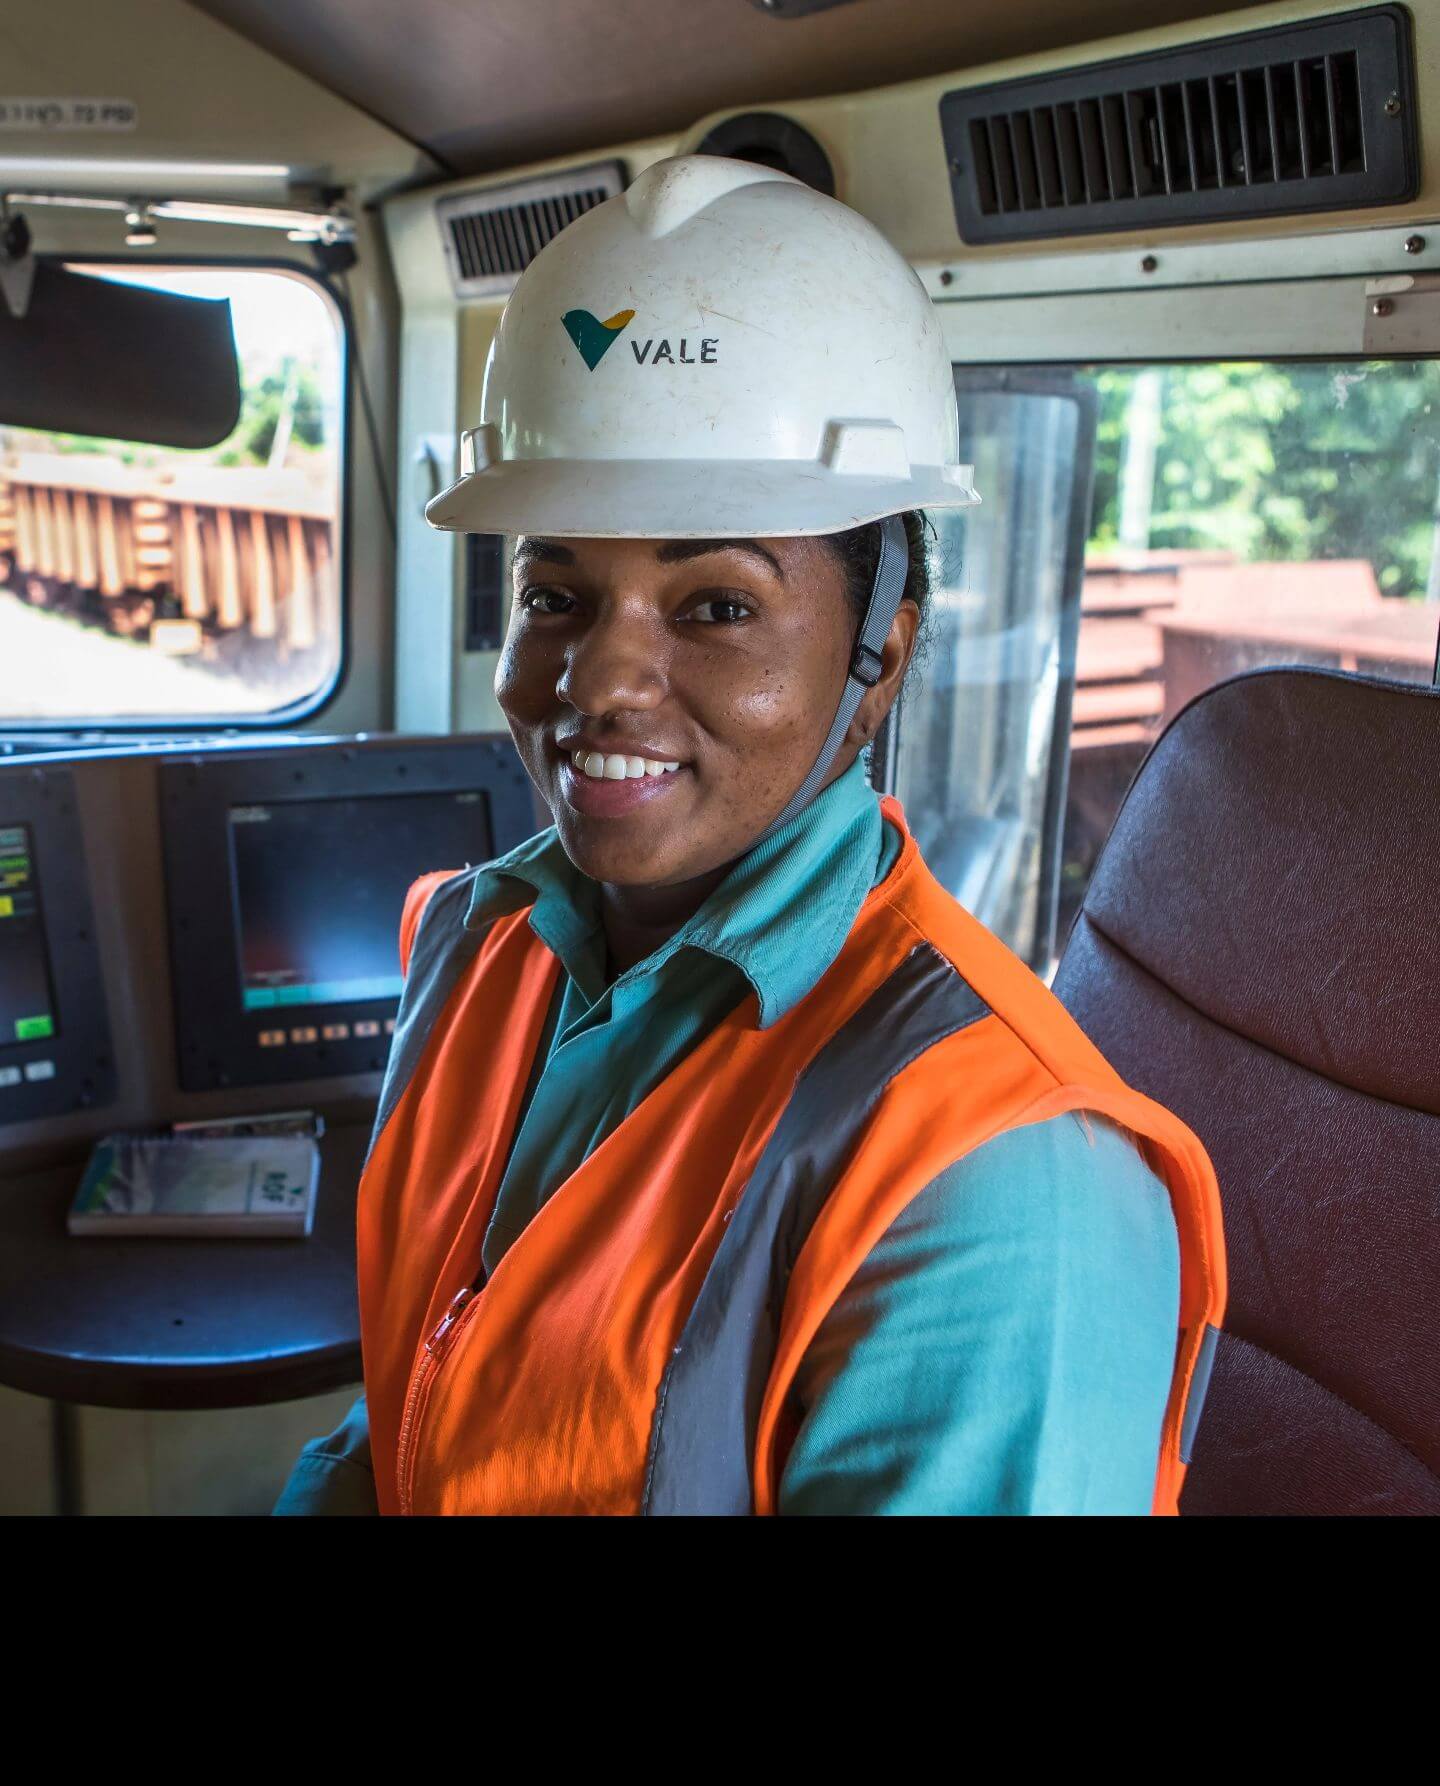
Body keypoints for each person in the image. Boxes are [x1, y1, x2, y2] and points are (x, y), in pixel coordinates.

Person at [276, 155, 1225, 1517]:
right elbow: (416, 1417)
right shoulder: (479, 947)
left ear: (883, 643)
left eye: (716, 604)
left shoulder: (1002, 1185)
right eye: (556, 591)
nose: (599, 681)